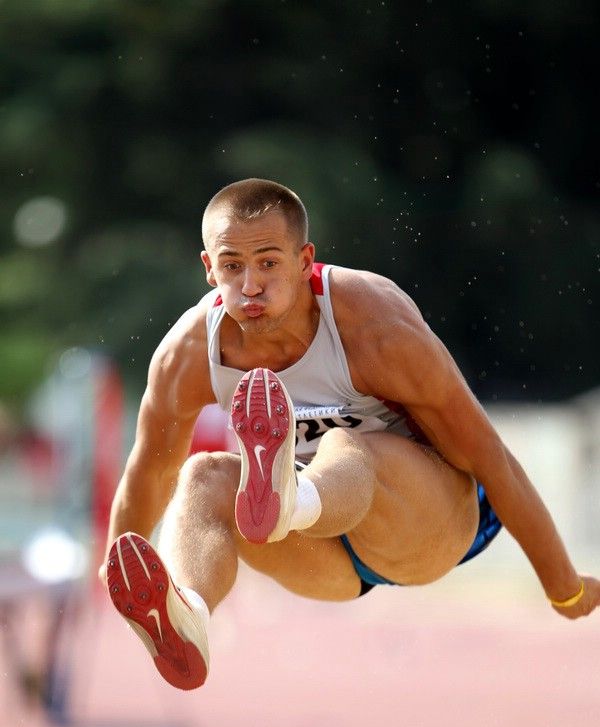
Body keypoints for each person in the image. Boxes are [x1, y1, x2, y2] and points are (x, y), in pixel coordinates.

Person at [100, 178, 600, 691]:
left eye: (268, 263)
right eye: (232, 266)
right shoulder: (188, 353)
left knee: (346, 446)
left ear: (304, 260)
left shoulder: (372, 323)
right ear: (209, 268)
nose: (250, 286)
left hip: (425, 525)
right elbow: (150, 469)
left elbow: (491, 457)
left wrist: (562, 584)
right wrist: (116, 563)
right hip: (326, 559)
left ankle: (289, 498)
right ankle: (190, 614)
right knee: (202, 475)